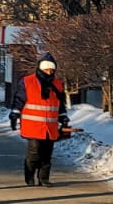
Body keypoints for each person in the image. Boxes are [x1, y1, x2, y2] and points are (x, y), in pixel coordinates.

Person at [10, 53, 69, 186]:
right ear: (40, 68)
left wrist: (63, 117)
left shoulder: (58, 84)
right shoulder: (27, 82)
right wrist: (14, 114)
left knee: (47, 153)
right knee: (34, 152)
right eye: (46, 69)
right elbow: (19, 99)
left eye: (52, 69)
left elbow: (60, 104)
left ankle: (44, 178)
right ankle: (29, 176)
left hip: (50, 126)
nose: (49, 72)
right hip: (33, 125)